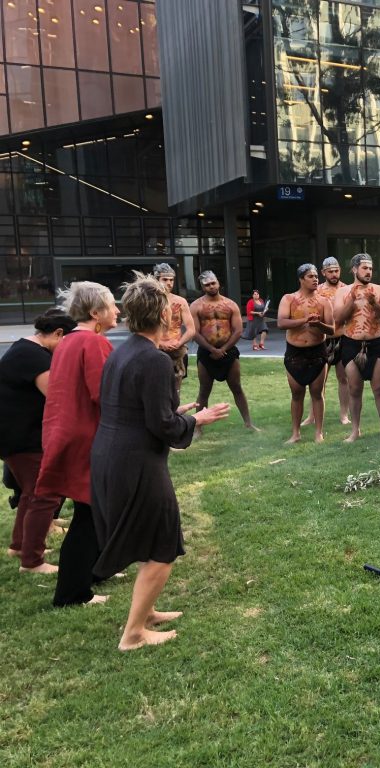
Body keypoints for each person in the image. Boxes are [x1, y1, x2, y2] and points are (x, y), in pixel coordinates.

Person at [91, 274, 229, 651]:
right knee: (162, 546)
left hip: (110, 453)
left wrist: (175, 409)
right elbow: (162, 426)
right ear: (165, 312)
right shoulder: (154, 360)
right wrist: (195, 419)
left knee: (148, 537)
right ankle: (133, 634)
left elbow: (138, 407)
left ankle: (147, 612)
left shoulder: (121, 350)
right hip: (135, 462)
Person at [36, 282, 120, 606]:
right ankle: (73, 593)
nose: (117, 311)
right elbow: (105, 394)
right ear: (95, 313)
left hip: (69, 435)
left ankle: (96, 571)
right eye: (113, 305)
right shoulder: (93, 343)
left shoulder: (69, 341)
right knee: (89, 513)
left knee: (96, 512)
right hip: (89, 438)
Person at [1, 309, 76, 574]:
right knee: (46, 494)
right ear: (58, 334)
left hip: (14, 435)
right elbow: (55, 397)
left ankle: (20, 546)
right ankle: (32, 561)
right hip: (23, 437)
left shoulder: (24, 349)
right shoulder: (35, 357)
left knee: (31, 493)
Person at [333, 253, 380, 441]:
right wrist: (351, 301)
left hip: (376, 343)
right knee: (354, 389)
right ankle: (355, 431)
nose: (369, 272)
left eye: (370, 269)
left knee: (379, 388)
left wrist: (375, 303)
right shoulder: (343, 292)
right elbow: (337, 319)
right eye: (365, 268)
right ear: (354, 269)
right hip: (352, 343)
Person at [189, 271, 257, 431]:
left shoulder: (230, 305)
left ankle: (248, 423)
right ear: (202, 287)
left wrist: (223, 349)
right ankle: (198, 428)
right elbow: (194, 332)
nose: (211, 286)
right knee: (204, 390)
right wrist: (212, 349)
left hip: (229, 352)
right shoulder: (196, 306)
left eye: (213, 283)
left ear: (218, 283)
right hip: (206, 353)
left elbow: (238, 330)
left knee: (237, 387)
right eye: (207, 284)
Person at [277, 264, 335, 444]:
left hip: (317, 351)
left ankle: (319, 432)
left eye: (316, 276)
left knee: (317, 393)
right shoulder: (289, 299)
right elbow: (281, 322)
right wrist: (305, 320)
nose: (315, 279)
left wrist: (319, 325)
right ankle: (296, 433)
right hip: (295, 351)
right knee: (297, 393)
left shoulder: (324, 301)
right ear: (301, 279)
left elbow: (332, 329)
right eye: (311, 276)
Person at [306, 256, 350, 426]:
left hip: (342, 338)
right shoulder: (317, 290)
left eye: (336, 271)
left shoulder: (346, 289)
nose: (334, 274)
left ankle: (344, 414)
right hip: (323, 341)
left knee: (343, 378)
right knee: (318, 380)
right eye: (330, 271)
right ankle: (312, 415)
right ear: (323, 272)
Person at [153, 263, 196, 391]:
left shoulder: (180, 301)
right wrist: (161, 343)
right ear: (157, 280)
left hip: (177, 351)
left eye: (171, 280)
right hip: (155, 350)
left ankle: (175, 411)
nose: (169, 283)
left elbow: (191, 329)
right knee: (157, 388)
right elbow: (138, 330)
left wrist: (178, 343)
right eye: (165, 279)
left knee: (176, 390)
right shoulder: (149, 301)